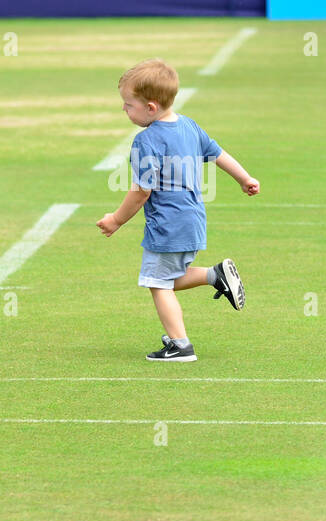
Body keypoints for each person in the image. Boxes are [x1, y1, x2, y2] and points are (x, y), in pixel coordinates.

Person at [96, 58, 260, 361]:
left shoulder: (146, 141)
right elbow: (219, 153)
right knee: (166, 277)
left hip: (167, 225)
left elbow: (141, 191)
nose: (124, 110)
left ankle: (180, 344)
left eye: (128, 104)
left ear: (151, 107)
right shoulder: (189, 126)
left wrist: (116, 220)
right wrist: (245, 178)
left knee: (158, 285)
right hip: (193, 219)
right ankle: (215, 275)